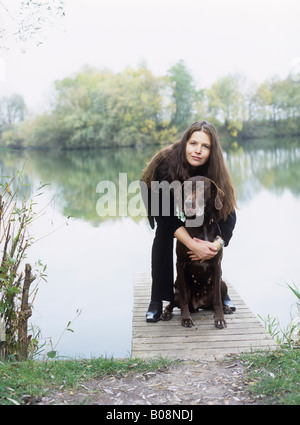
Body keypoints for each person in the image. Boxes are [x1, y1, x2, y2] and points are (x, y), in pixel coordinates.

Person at [141, 120, 237, 322]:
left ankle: (218, 291)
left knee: (209, 225)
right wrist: (192, 244)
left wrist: (215, 245)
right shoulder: (165, 164)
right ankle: (157, 299)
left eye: (205, 146)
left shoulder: (215, 169)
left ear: (212, 151)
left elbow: (228, 214)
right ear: (185, 142)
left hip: (197, 198)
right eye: (193, 143)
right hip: (160, 200)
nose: (198, 151)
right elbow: (166, 217)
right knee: (164, 234)